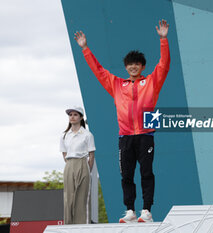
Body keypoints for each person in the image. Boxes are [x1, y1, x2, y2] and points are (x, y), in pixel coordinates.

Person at [74, 19, 170, 223]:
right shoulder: (116, 85)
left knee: (146, 173)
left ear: (142, 66)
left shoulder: (151, 82)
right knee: (126, 175)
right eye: (130, 64)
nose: (133, 67)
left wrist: (163, 39)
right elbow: (98, 71)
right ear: (126, 67)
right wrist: (85, 49)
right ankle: (130, 211)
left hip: (145, 136)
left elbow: (164, 65)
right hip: (125, 138)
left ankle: (146, 210)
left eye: (137, 64)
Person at [60, 106, 96, 224]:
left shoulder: (87, 135)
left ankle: (81, 226)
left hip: (82, 163)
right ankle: (68, 225)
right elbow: (64, 153)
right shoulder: (64, 135)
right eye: (70, 115)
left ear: (81, 117)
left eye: (75, 115)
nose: (72, 117)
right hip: (69, 164)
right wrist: (70, 165)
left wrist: (87, 169)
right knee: (68, 197)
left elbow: (91, 155)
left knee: (81, 197)